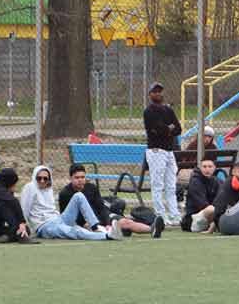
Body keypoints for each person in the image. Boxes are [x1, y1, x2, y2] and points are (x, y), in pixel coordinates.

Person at [59, 164, 155, 237]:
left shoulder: (92, 187)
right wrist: (83, 224)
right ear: (70, 178)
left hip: (101, 218)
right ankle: (118, 231)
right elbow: (66, 217)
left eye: (82, 177)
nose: (80, 180)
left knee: (126, 222)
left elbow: (102, 208)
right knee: (93, 229)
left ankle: (153, 229)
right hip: (86, 224)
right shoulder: (65, 194)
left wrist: (108, 223)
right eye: (77, 177)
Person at [21, 164, 109, 240]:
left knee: (79, 195)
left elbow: (101, 207)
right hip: (45, 226)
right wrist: (23, 226)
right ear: (34, 177)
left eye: (45, 178)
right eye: (39, 178)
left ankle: (95, 227)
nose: (42, 181)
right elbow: (24, 209)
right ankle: (106, 236)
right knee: (75, 231)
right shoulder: (30, 187)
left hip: (58, 219)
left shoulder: (48, 188)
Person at [143, 82, 182, 225]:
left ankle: (174, 214)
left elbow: (178, 129)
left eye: (159, 91)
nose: (158, 94)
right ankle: (160, 215)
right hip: (156, 151)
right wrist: (168, 128)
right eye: (155, 91)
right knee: (157, 184)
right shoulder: (149, 111)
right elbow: (156, 129)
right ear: (150, 94)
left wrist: (166, 129)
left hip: (169, 151)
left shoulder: (168, 110)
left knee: (171, 185)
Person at [182, 155, 223, 232]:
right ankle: (215, 226)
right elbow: (203, 205)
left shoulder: (218, 181)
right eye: (204, 167)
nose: (207, 169)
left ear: (214, 168)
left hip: (211, 216)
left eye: (210, 166)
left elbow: (221, 201)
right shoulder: (195, 181)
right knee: (211, 209)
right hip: (192, 220)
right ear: (200, 168)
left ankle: (216, 226)